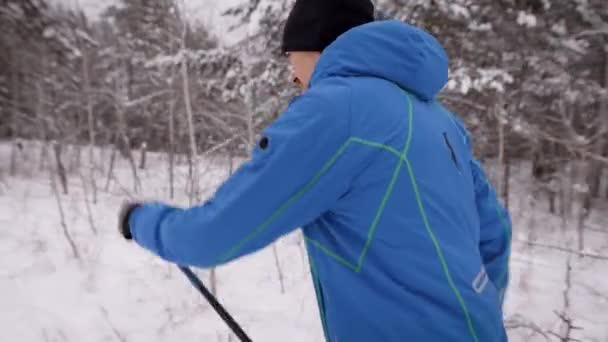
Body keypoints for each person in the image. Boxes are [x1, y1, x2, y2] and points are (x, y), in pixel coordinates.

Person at [119, 0, 512, 340]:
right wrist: (475, 306)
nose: (292, 74)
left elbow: (213, 236)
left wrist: (143, 221)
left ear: (319, 47)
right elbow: (495, 232)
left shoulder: (337, 111)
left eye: (292, 56)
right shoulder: (440, 120)